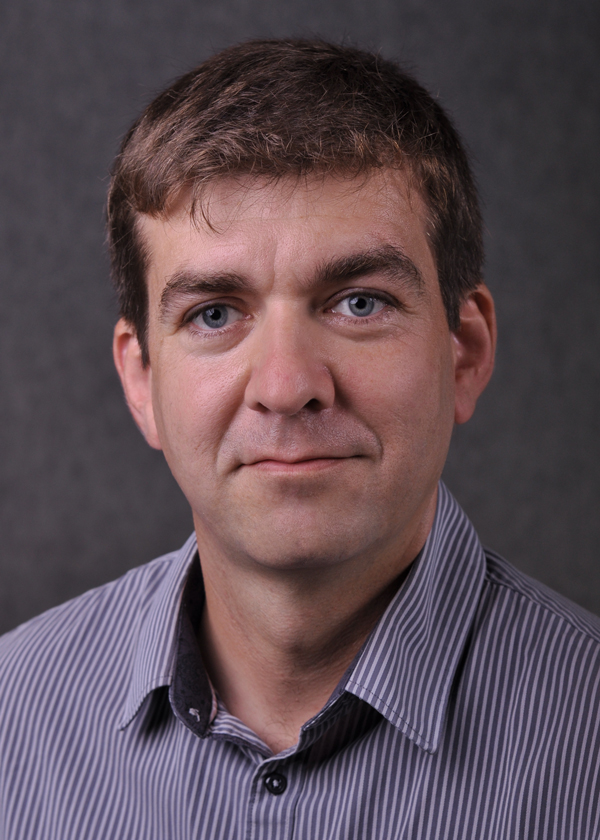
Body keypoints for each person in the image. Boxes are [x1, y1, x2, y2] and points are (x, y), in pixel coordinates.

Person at [0, 39, 599, 839]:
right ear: (141, 381)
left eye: (358, 303)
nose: (286, 387)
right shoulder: (12, 718)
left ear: (465, 351)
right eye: (215, 313)